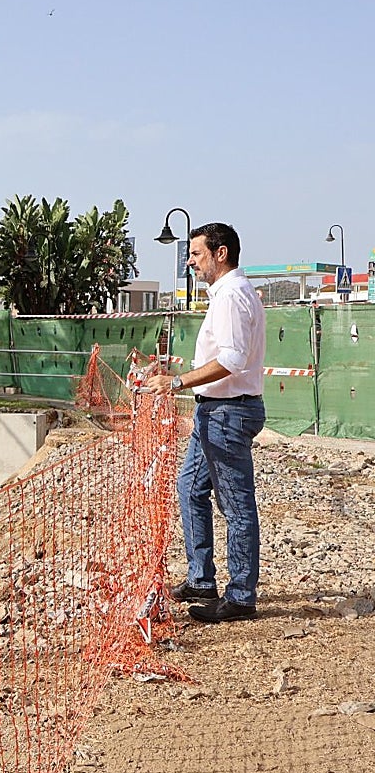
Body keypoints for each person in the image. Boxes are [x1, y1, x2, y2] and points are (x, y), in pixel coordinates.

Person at [146, 222, 266, 623]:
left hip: (228, 413)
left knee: (236, 506)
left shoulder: (231, 296)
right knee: (190, 487)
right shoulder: (228, 294)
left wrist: (176, 381)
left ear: (221, 253)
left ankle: (240, 596)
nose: (190, 261)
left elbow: (232, 360)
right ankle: (201, 579)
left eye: (196, 253)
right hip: (214, 411)